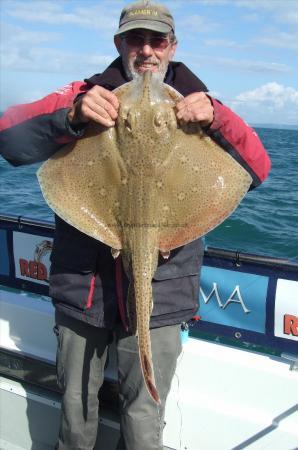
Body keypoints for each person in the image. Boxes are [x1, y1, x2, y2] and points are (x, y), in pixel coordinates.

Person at [0, 1, 271, 449]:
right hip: (82, 287)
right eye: (135, 39)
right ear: (119, 44)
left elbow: (258, 168)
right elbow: (8, 139)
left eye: (157, 40)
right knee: (75, 409)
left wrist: (216, 118)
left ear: (172, 46)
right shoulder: (86, 94)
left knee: (145, 418)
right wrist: (72, 116)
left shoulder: (201, 105)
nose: (146, 51)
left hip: (161, 295)